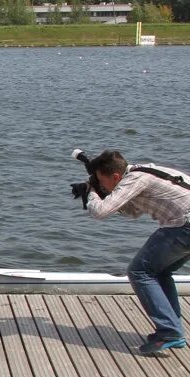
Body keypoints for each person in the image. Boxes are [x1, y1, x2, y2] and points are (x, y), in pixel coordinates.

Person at [78, 150, 190, 354]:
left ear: (115, 177)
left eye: (103, 182)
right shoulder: (142, 173)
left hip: (183, 226)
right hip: (184, 225)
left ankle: (170, 331)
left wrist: (92, 192)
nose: (103, 186)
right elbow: (134, 212)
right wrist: (102, 193)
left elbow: (101, 212)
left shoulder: (134, 179)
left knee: (139, 272)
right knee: (160, 272)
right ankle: (172, 329)